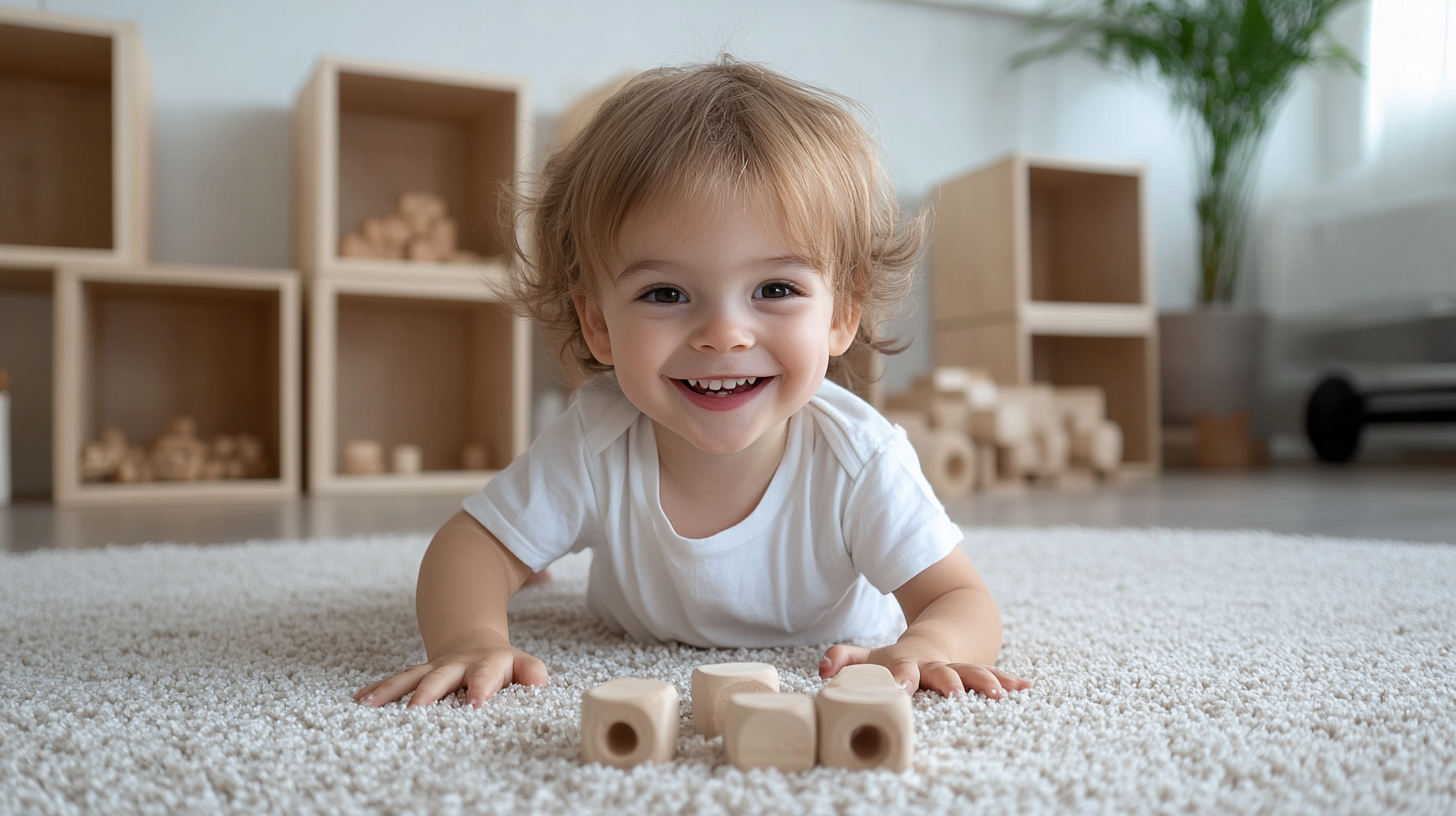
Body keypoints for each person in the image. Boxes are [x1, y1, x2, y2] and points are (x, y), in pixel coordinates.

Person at [355, 57, 1030, 709]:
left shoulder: (859, 459)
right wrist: (471, 636)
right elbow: (469, 546)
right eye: (666, 292)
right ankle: (541, 538)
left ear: (843, 314)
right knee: (514, 538)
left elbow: (959, 600)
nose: (723, 333)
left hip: (832, 642)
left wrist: (926, 645)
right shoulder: (598, 436)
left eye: (775, 288)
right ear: (598, 323)